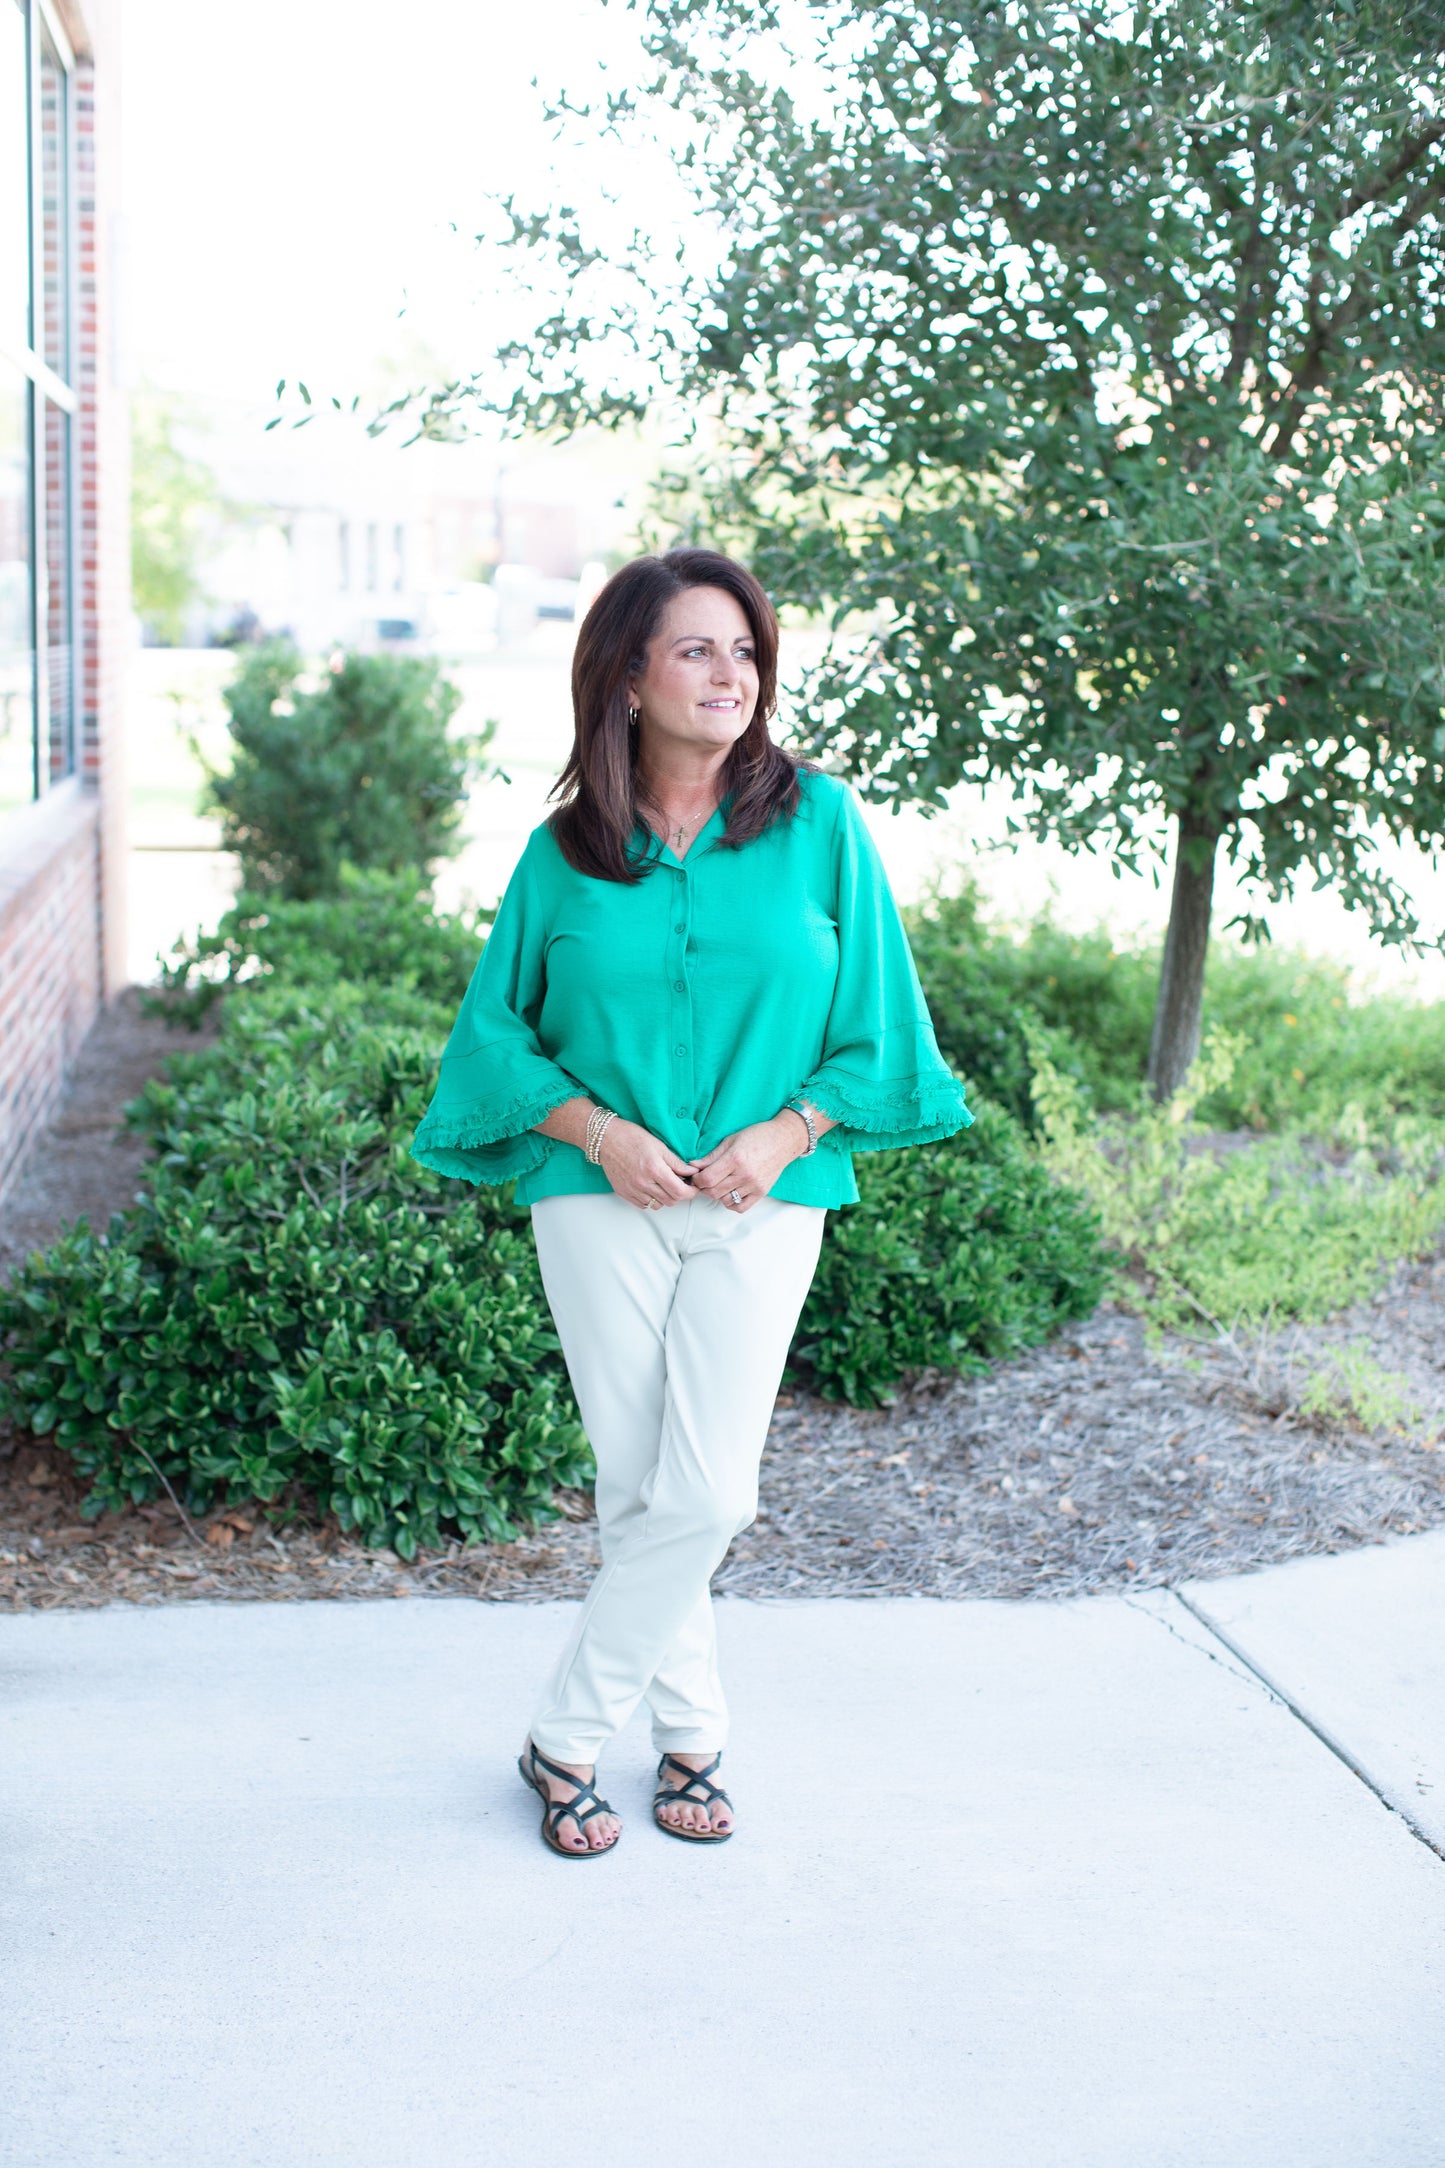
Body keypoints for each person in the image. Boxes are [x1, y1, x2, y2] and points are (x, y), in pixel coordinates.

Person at [410, 547, 972, 1858]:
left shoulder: (818, 825)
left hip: (763, 1204)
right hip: (594, 1199)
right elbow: (494, 1045)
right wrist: (599, 1135)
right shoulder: (565, 855)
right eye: (696, 650)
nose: (732, 674)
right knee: (638, 1483)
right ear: (624, 678)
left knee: (709, 1491)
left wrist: (782, 1137)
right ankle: (692, 1741)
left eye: (744, 650)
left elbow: (880, 1029)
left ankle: (561, 1735)